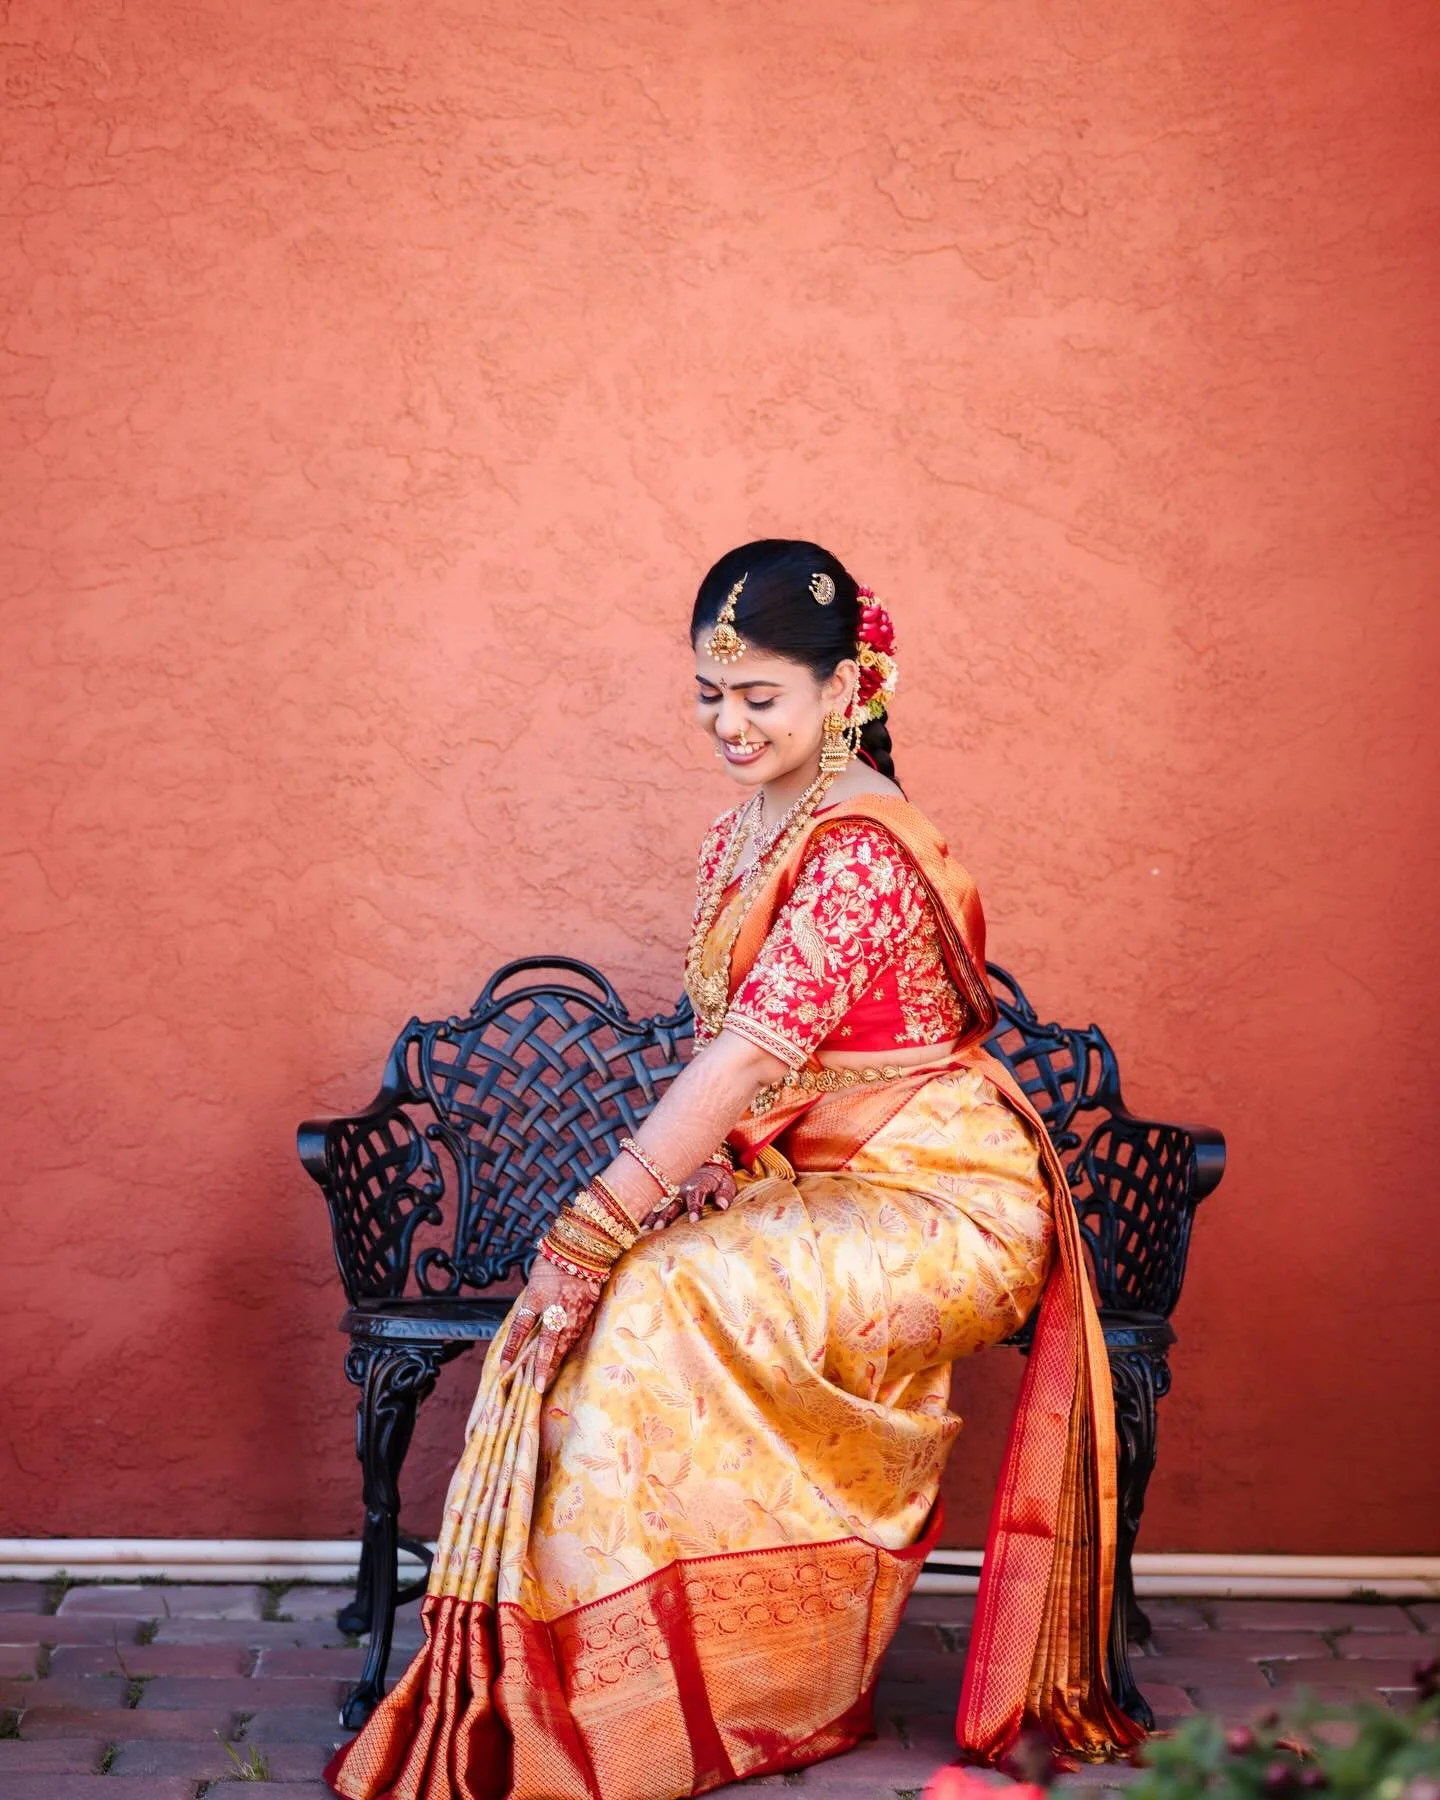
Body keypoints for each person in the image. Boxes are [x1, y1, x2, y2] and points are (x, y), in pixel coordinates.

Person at [325, 540, 1141, 1800]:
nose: (728, 722)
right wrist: (696, 1182)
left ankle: (725, 1693)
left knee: (648, 1291)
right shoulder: (740, 837)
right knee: (638, 1292)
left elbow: (753, 1054)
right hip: (821, 1189)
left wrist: (585, 1229)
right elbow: (741, 1071)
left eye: (760, 696)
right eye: (712, 696)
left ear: (846, 689)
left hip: (945, 1207)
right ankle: (638, 1682)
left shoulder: (863, 848)